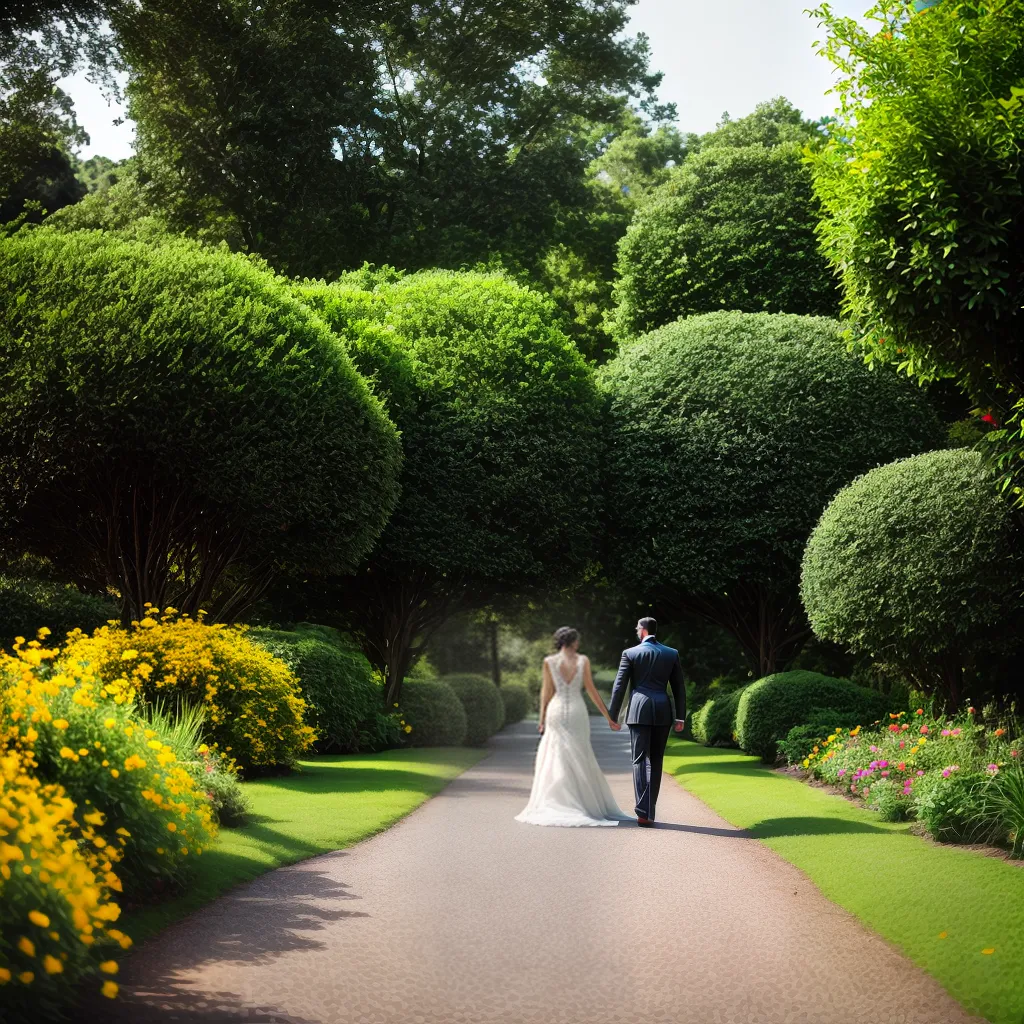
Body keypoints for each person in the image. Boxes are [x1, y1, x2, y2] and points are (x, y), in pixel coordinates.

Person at [515, 626, 631, 827]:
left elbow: (546, 691)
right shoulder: (582, 660)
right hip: (577, 710)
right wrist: (608, 717)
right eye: (577, 640)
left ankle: (557, 799)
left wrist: (541, 718)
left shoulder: (549, 661)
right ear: (573, 642)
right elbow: (592, 691)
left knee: (555, 753)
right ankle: (582, 802)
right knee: (580, 752)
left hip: (556, 710)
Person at [607, 617, 686, 827]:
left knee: (639, 759)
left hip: (638, 710)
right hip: (662, 709)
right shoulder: (671, 653)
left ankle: (643, 811)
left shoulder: (630, 653)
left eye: (636, 628)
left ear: (642, 630)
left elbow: (619, 687)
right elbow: (679, 687)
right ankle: (648, 810)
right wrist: (680, 716)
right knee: (657, 760)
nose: (636, 631)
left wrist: (612, 716)